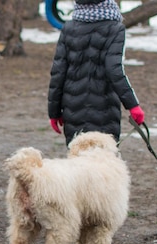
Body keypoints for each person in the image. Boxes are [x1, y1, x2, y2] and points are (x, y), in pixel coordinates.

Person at [48, 0, 145, 146]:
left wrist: (54, 112)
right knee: (103, 164)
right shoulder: (115, 28)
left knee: (77, 162)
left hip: (73, 110)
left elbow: (58, 72)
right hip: (105, 110)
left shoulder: (69, 27)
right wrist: (133, 106)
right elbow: (114, 69)